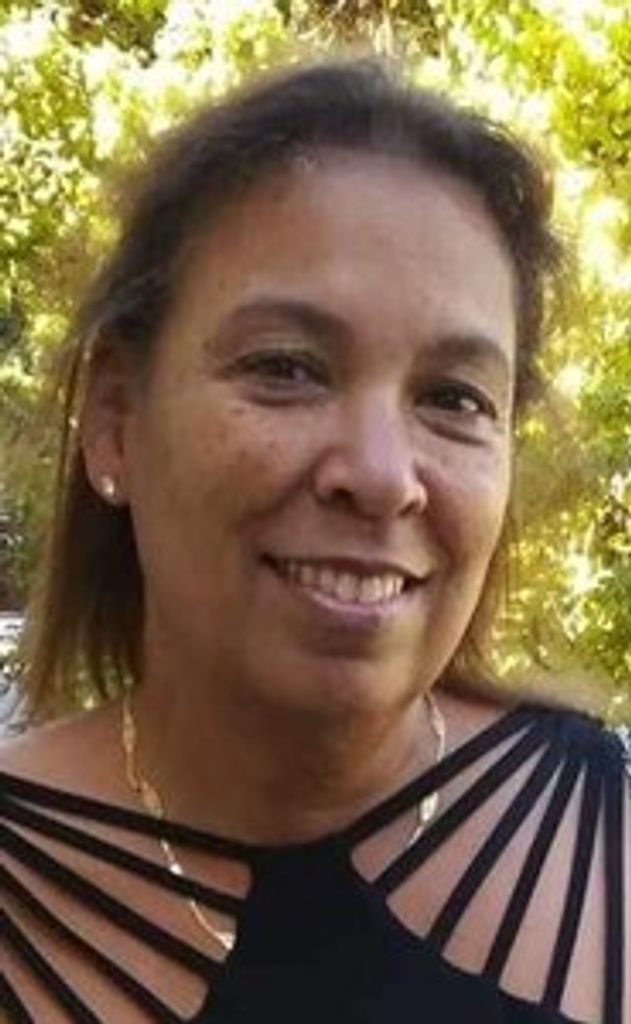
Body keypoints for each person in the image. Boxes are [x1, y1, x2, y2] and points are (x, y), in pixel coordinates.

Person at [1, 58, 628, 1024]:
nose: (380, 475)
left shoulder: (606, 840)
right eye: (286, 368)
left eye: (452, 398)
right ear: (116, 422)